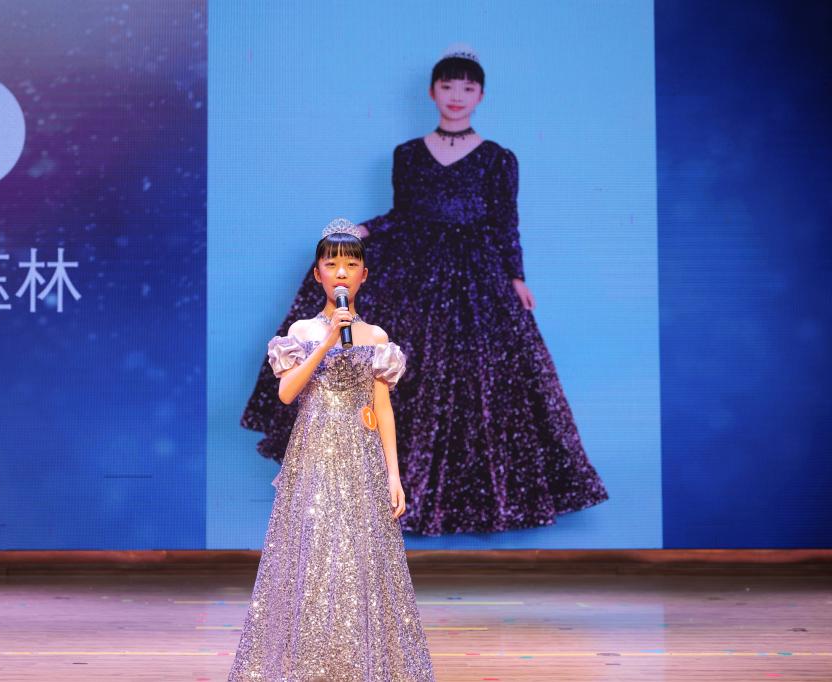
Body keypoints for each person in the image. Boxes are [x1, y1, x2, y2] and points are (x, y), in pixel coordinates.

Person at [241, 45, 608, 536]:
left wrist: (515, 276)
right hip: (418, 268)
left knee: (480, 378)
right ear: (432, 92)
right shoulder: (408, 154)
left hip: (477, 274)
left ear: (481, 96)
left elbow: (505, 222)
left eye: (467, 88)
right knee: (399, 365)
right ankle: (388, 488)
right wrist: (363, 231)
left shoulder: (499, 159)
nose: (457, 95)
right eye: (447, 86)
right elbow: (403, 214)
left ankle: (467, 500)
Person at [228, 219, 435, 681]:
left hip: (361, 458)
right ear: (318, 273)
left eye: (351, 264)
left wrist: (394, 474)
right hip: (315, 456)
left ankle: (360, 665)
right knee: (315, 555)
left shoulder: (376, 338)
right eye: (332, 264)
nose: (341, 272)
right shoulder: (301, 331)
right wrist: (325, 342)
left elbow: (382, 408)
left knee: (361, 558)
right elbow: (287, 393)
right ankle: (309, 665)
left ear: (364, 274)